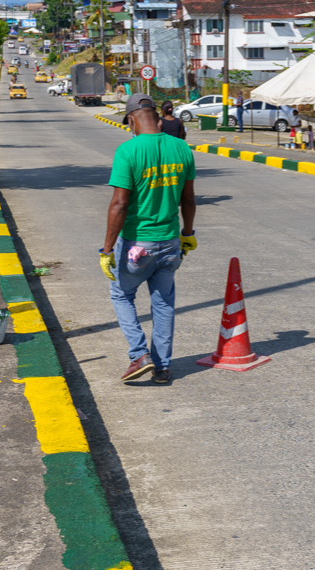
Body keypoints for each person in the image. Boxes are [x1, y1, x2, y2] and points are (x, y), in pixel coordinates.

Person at [100, 94, 197, 384]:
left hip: (136, 244)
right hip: (170, 242)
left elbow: (119, 204)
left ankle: (140, 355)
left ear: (131, 120)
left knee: (121, 294)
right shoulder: (181, 148)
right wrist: (187, 234)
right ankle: (162, 367)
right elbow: (188, 199)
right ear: (155, 116)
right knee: (163, 303)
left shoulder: (128, 151)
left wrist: (107, 250)